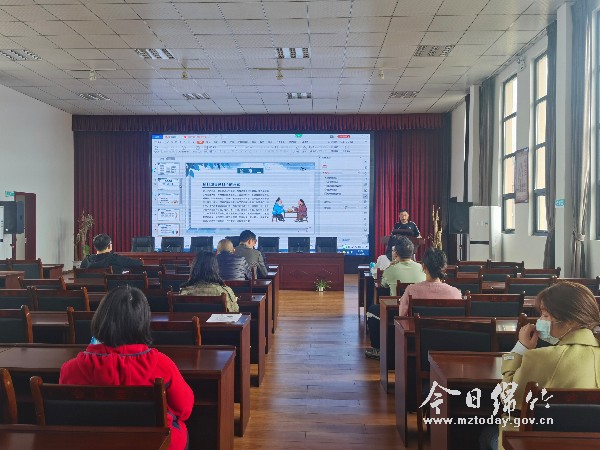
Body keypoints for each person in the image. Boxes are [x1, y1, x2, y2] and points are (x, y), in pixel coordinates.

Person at [59, 286, 194, 450]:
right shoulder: (163, 365)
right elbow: (184, 409)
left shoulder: (70, 369)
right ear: (143, 322)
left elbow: (67, 415)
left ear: (101, 318)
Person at [479, 281, 600, 450]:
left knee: (486, 434)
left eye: (545, 315)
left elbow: (508, 398)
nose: (540, 321)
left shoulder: (543, 357)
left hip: (535, 444)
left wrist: (520, 348)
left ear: (570, 321)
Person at [364, 238, 426, 359]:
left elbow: (383, 284)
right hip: (419, 311)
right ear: (413, 252)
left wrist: (391, 266)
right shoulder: (421, 268)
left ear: (396, 253)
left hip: (397, 311)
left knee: (372, 311)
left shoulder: (391, 269)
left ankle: (378, 349)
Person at [398, 247, 461, 316]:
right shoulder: (455, 293)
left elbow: (402, 316)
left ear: (423, 267)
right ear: (444, 268)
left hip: (419, 323)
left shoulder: (411, 290)